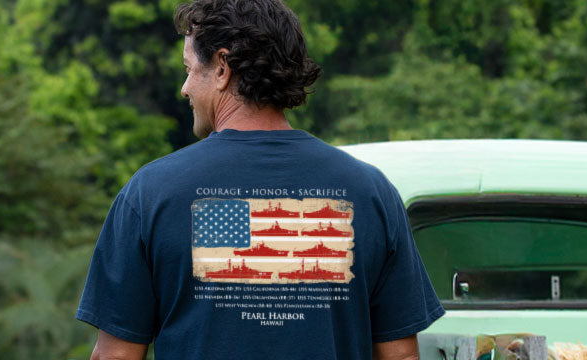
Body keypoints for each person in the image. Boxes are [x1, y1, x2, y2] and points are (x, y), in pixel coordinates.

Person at [74, 0, 442, 359]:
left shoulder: (150, 193)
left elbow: (116, 355)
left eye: (189, 69)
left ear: (222, 67)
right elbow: (400, 354)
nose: (185, 88)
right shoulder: (371, 191)